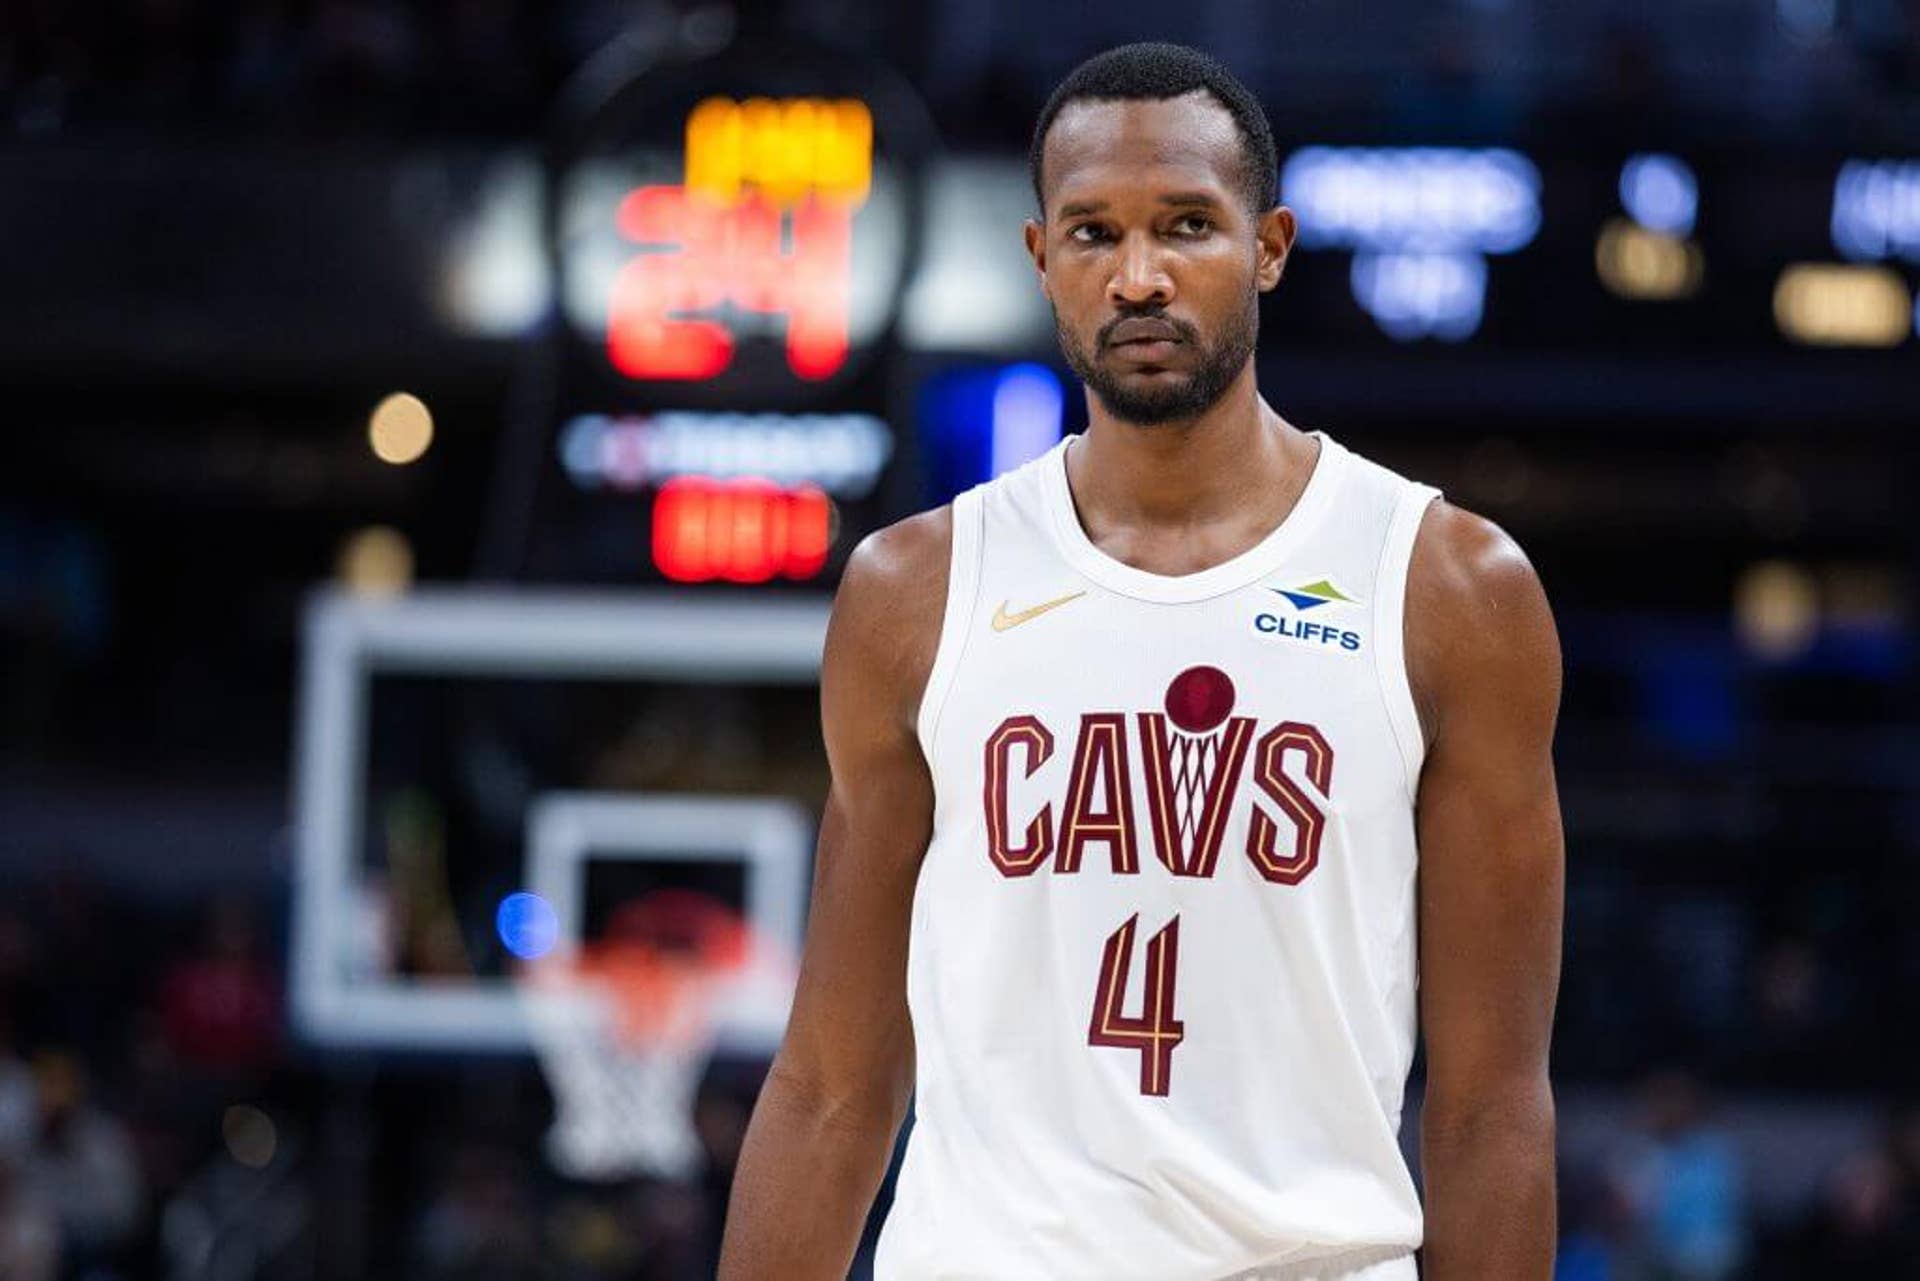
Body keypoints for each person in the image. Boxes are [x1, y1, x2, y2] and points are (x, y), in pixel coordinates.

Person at [720, 42, 1563, 1281]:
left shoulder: (1446, 589)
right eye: (1093, 234)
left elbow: (1491, 1110)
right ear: (1041, 259)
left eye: (1186, 227)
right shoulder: (914, 592)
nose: (1139, 277)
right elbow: (833, 1086)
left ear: (1269, 246)